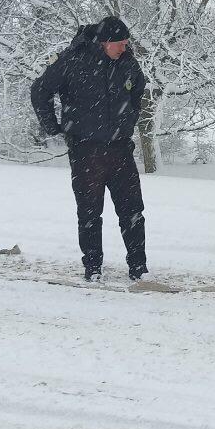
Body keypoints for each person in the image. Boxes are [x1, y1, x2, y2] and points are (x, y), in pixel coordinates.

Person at [30, 16, 148, 282]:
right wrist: (52, 125)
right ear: (104, 42)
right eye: (119, 44)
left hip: (120, 150)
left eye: (126, 43)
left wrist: (128, 117)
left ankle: (138, 267)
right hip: (86, 151)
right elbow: (40, 90)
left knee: (133, 211)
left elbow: (138, 91)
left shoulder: (128, 62)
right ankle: (93, 267)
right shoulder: (73, 60)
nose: (124, 48)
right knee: (90, 212)